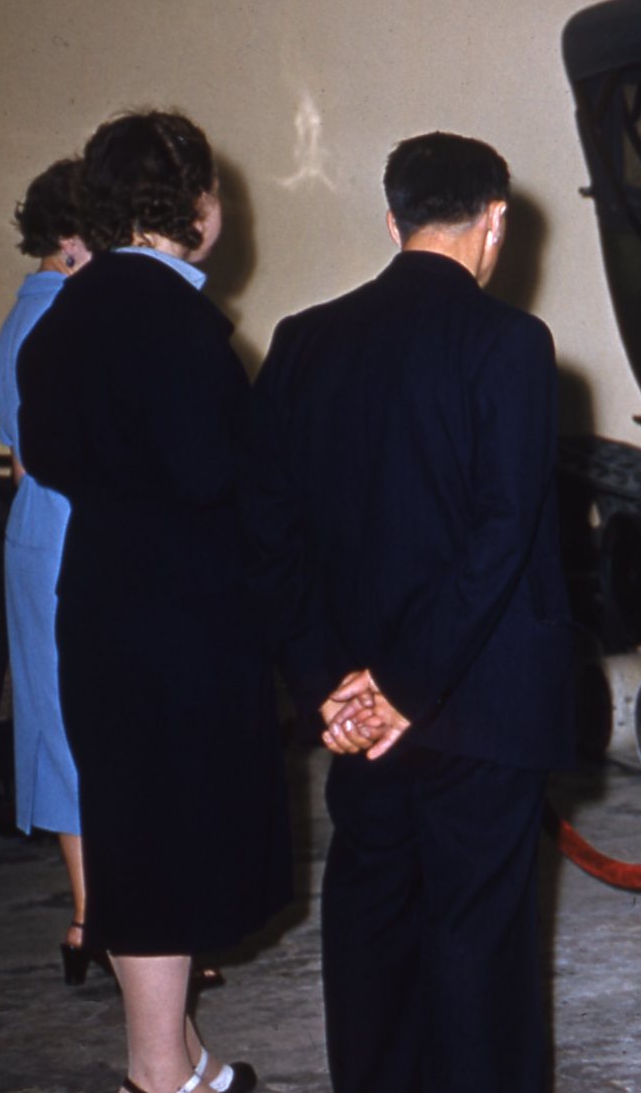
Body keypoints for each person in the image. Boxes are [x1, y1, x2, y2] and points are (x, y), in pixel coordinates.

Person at [245, 131, 573, 1093]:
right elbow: (500, 533)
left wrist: (333, 689)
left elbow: (266, 532)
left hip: (356, 717)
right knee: (480, 950)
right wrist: (408, 686)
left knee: (373, 933)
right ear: (496, 222)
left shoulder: (304, 342)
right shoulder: (511, 344)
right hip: (479, 705)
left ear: (392, 220)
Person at [17, 110, 289, 1093]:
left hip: (99, 597)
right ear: (199, 207)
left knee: (133, 835)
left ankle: (169, 1057)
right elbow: (213, 467)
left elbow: (47, 452)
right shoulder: (172, 322)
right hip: (185, 613)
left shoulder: (66, 312)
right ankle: (156, 1071)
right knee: (175, 838)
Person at [0, 157, 94, 981]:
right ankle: (96, 918)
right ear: (69, 236)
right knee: (75, 727)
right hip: (65, 528)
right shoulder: (60, 314)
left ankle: (100, 915)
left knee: (68, 725)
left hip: (42, 527)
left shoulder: (28, 310)